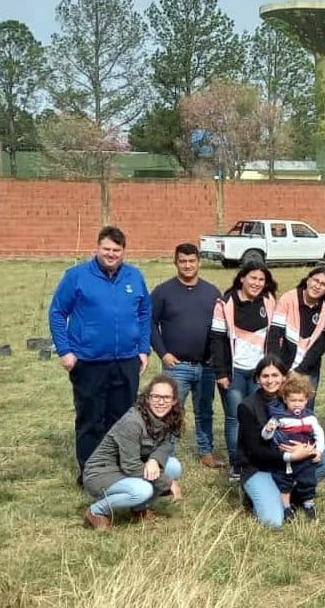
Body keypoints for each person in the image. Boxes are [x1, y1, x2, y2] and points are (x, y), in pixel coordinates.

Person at [50, 226, 152, 482]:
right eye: (106, 249)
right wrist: (65, 351)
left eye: (117, 250)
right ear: (97, 248)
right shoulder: (77, 276)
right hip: (88, 361)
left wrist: (143, 348)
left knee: (124, 420)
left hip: (126, 361)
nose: (111, 254)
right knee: (91, 419)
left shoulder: (134, 276)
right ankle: (90, 473)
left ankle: (119, 469)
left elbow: (144, 313)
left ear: (124, 252)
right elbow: (57, 313)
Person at [238, 355, 325, 528]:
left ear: (284, 377)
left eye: (275, 375)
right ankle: (262, 495)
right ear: (258, 379)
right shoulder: (247, 406)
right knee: (272, 522)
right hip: (260, 467)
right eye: (265, 376)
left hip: (293, 463)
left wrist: (309, 448)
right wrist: (290, 456)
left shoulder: (293, 400)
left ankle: (295, 492)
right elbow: (254, 452)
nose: (271, 380)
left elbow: (307, 429)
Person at [150, 243, 222, 469]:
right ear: (176, 263)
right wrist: (163, 353)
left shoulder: (212, 292)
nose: (188, 265)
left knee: (205, 410)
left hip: (207, 365)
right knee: (170, 410)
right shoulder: (163, 292)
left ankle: (206, 451)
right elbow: (149, 324)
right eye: (183, 261)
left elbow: (222, 327)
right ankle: (165, 454)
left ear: (199, 262)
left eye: (192, 261)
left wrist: (216, 357)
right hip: (176, 365)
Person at [81, 375, 183, 530]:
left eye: (166, 397)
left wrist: (154, 460)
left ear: (174, 400)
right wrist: (168, 483)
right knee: (142, 490)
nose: (161, 402)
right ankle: (96, 511)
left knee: (173, 466)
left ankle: (138, 509)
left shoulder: (168, 416)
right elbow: (131, 466)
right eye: (156, 396)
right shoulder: (133, 422)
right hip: (102, 473)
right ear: (147, 398)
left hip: (128, 468)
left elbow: (167, 443)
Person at [210, 262, 278, 480]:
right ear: (242, 278)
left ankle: (256, 459)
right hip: (234, 372)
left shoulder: (268, 301)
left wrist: (272, 368)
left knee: (259, 417)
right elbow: (217, 340)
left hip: (259, 373)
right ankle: (236, 464)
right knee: (235, 417)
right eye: (253, 278)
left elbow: (274, 338)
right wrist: (220, 372)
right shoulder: (225, 303)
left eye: (261, 280)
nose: (257, 283)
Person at [268, 267, 325, 405]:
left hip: (309, 369)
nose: (317, 286)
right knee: (277, 409)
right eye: (315, 280)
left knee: (305, 410)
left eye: (323, 284)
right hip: (282, 366)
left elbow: (320, 346)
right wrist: (276, 369)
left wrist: (299, 371)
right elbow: (274, 335)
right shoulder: (288, 298)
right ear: (308, 279)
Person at [261, 373, 325, 522]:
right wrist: (269, 430)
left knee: (308, 481)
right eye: (293, 400)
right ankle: (286, 508)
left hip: (305, 459)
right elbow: (265, 436)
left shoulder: (310, 417)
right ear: (285, 399)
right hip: (286, 460)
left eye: (301, 400)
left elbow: (319, 434)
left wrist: (319, 450)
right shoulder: (279, 417)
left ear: (306, 400)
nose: (297, 404)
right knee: (284, 483)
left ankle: (309, 505)